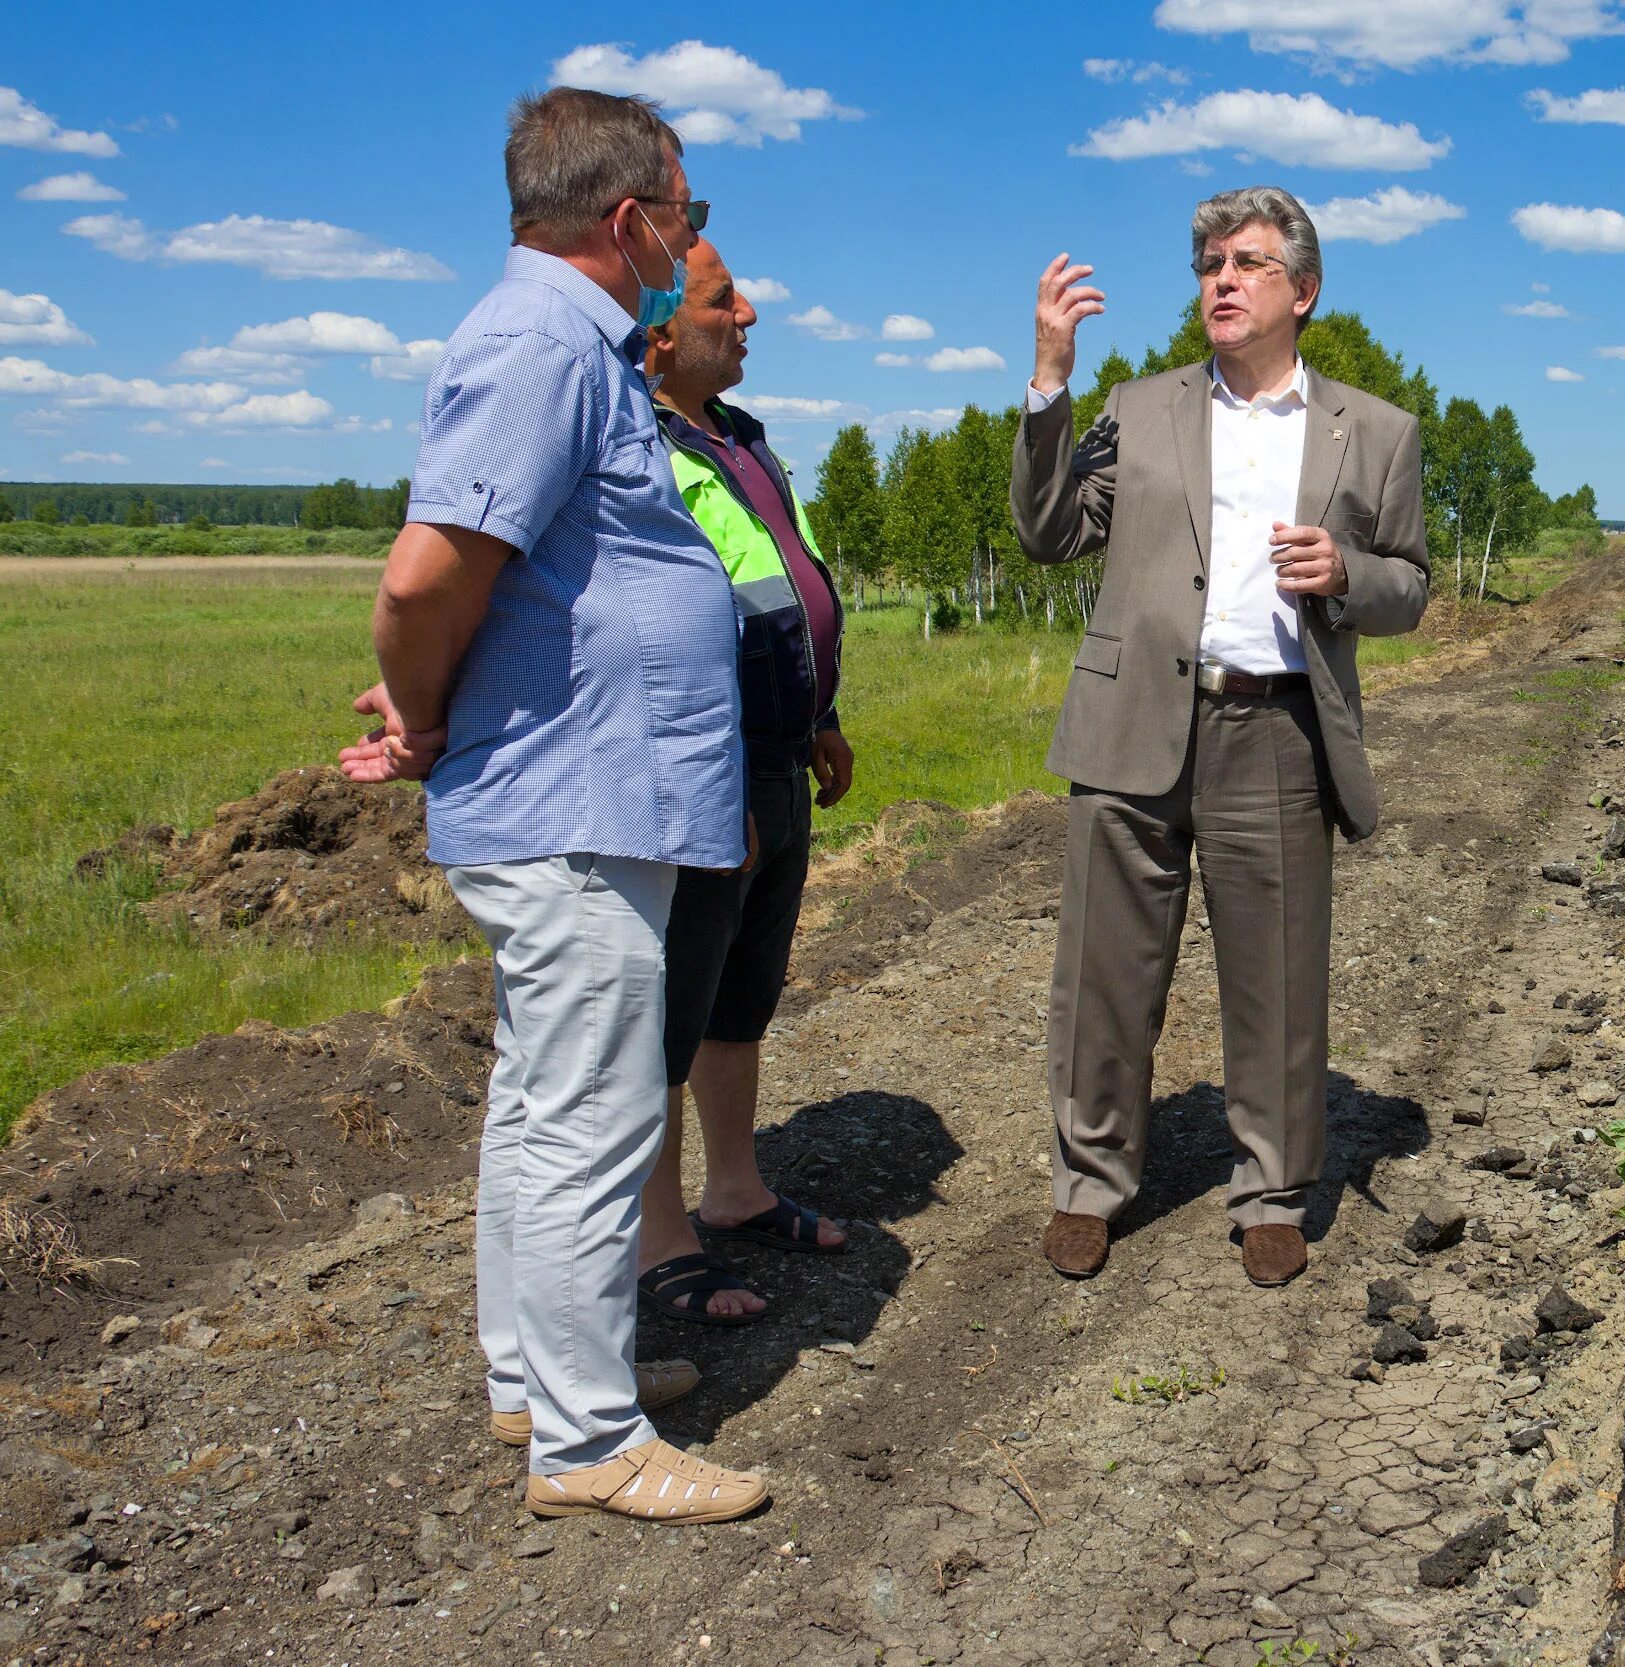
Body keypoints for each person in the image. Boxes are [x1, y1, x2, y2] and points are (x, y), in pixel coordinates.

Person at [338, 86, 764, 1525]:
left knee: (538, 1102)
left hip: (585, 787)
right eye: (687, 216)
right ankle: (590, 1440)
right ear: (633, 218)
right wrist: (426, 711)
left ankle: (535, 1378)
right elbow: (423, 574)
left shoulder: (567, 341)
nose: (690, 243)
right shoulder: (541, 343)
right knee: (586, 1115)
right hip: (572, 793)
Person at [1012, 186, 1429, 1289]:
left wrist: (1346, 574)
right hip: (1131, 719)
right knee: (1103, 972)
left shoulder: (1375, 433)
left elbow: (1410, 588)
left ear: (1304, 289)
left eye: (1246, 262)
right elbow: (1050, 531)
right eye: (1206, 264)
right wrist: (1048, 380)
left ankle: (1271, 1190)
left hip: (1277, 729)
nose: (1221, 279)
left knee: (1276, 980)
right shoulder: (1135, 406)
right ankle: (1088, 1183)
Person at [634, 238, 854, 1326]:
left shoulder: (738, 438)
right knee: (666, 1019)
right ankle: (656, 1237)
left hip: (775, 760)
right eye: (727, 301)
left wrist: (817, 715)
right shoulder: (634, 446)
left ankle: (733, 1189)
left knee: (737, 1000)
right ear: (661, 329)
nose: (751, 313)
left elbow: (778, 584)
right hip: (700, 781)